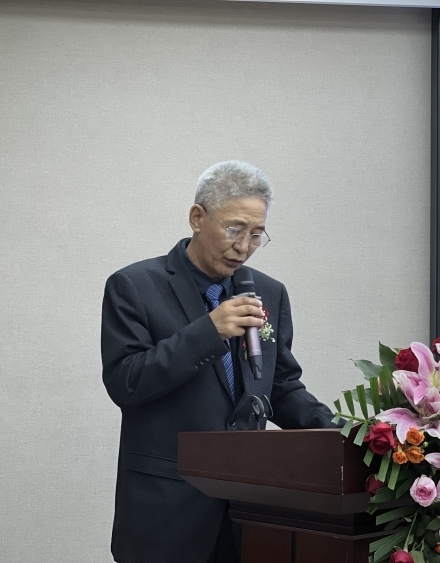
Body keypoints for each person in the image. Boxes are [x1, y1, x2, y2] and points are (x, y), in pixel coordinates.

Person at [101, 161, 336, 563]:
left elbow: (280, 387)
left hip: (248, 514)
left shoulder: (268, 293)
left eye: (257, 234)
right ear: (197, 217)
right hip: (165, 513)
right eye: (235, 229)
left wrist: (347, 435)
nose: (244, 246)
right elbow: (127, 382)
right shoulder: (134, 286)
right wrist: (208, 332)